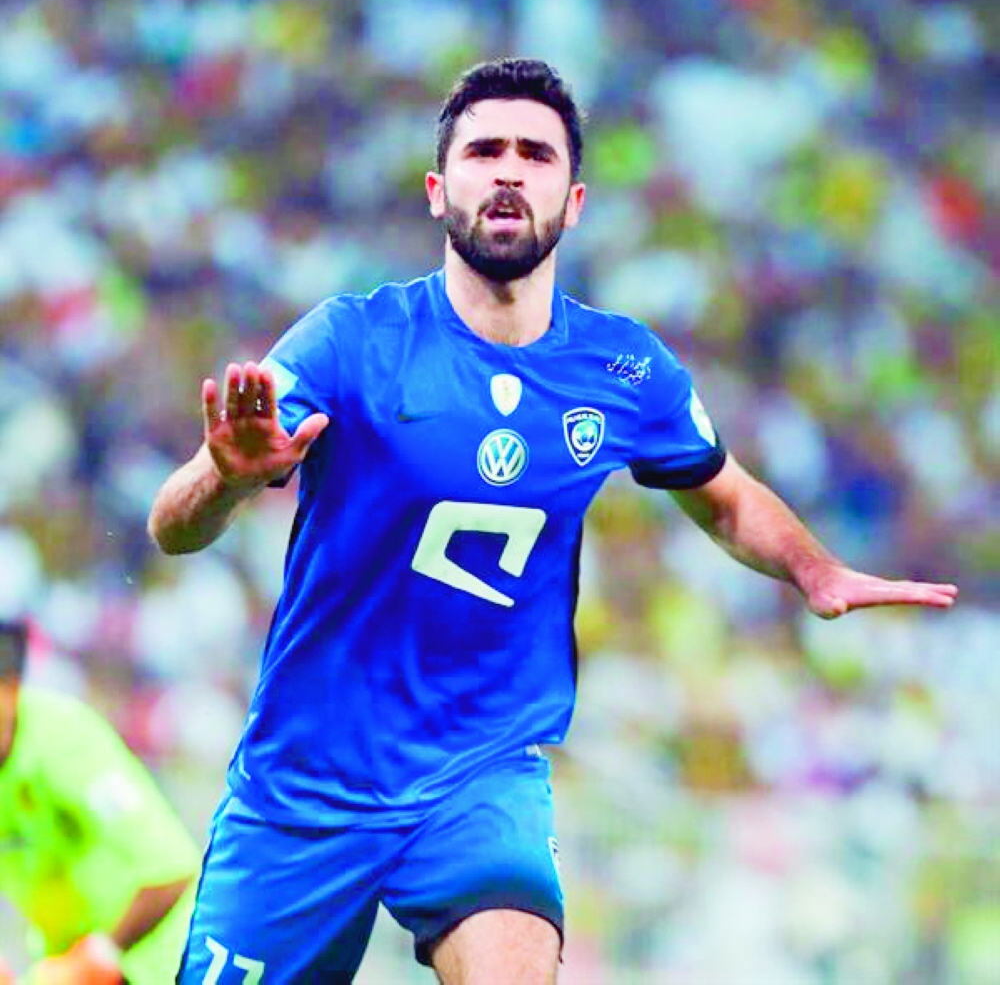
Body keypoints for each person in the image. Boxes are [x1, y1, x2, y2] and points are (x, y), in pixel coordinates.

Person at [147, 58, 957, 983]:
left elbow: (725, 494)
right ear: (437, 191)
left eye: (534, 155)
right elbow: (172, 530)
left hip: (478, 777)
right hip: (308, 782)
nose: (507, 171)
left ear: (572, 203)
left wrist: (814, 569)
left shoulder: (623, 370)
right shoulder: (351, 341)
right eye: (483, 151)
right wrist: (224, 476)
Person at [0, 620, 200, 984]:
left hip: (155, 962)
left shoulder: (64, 740)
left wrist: (97, 957)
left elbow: (170, 870)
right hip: (62, 963)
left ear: (10, 688)